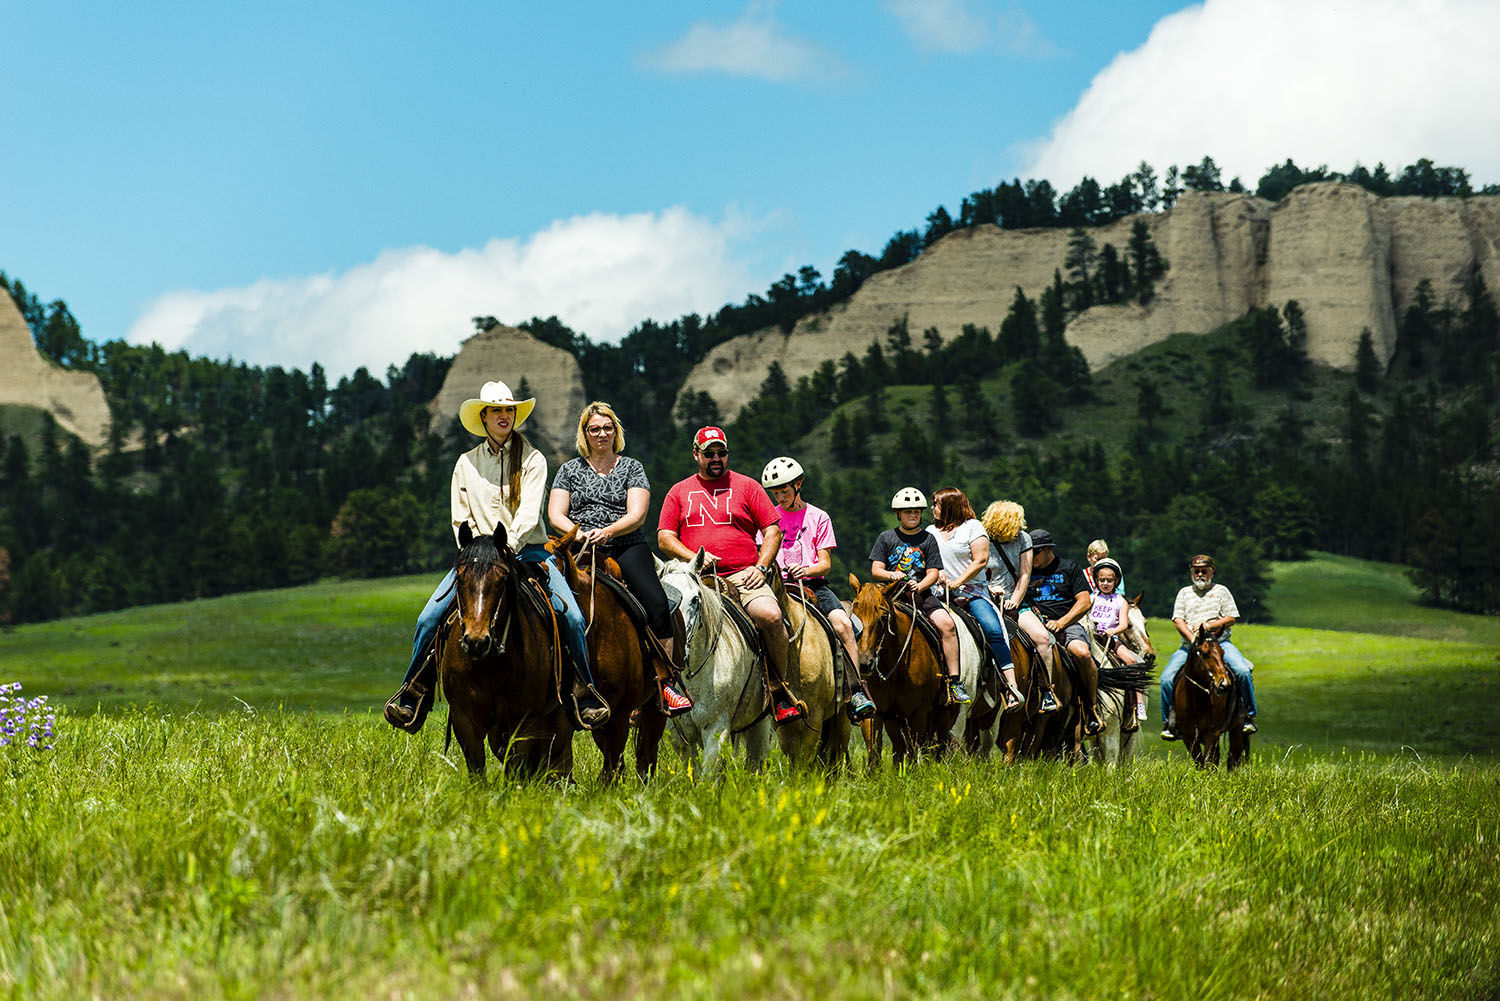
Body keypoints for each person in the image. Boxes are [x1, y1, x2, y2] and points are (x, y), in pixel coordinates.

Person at [385, 381, 609, 731]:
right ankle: (414, 692)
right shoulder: (465, 463)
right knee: (429, 618)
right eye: (497, 411)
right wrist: (480, 554)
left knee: (573, 617)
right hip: (477, 559)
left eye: (509, 410)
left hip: (530, 553)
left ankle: (584, 691)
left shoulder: (533, 459)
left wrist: (507, 550)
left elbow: (528, 512)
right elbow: (461, 518)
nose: (504, 416)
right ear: (484, 417)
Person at [548, 401, 692, 716]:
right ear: (584, 434)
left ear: (616, 431)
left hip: (625, 545)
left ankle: (665, 683)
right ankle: (551, 677)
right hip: (580, 547)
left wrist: (609, 531)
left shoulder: (631, 467)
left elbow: (637, 515)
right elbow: (555, 514)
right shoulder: (569, 470)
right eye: (594, 429)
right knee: (547, 603)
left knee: (656, 602)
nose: (602, 433)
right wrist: (579, 531)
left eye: (607, 428)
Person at [657, 426, 804, 724]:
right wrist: (693, 556)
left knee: (772, 616)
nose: (716, 458)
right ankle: (660, 688)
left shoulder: (748, 486)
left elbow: (772, 530)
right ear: (695, 454)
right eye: (709, 453)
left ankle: (778, 689)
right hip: (695, 577)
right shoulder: (679, 490)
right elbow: (664, 538)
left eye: (721, 453)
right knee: (658, 617)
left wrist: (761, 567)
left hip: (742, 576)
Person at [758, 457, 877, 722]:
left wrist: (806, 569)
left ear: (799, 485)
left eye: (785, 490)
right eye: (775, 492)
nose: (780, 496)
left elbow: (825, 564)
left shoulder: (818, 517)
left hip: (813, 586)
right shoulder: (769, 520)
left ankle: (855, 690)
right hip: (777, 588)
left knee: (843, 625)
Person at [867, 487, 970, 705]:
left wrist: (920, 585)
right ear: (898, 514)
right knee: (865, 622)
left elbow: (933, 572)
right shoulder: (886, 537)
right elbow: (876, 569)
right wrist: (892, 574)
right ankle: (860, 681)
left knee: (947, 624)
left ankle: (954, 682)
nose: (912, 515)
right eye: (907, 511)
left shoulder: (928, 539)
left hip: (921, 595)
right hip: (890, 595)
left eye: (916, 511)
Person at [926, 487, 1024, 710]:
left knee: (992, 629)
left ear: (950, 505)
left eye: (937, 504)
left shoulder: (973, 527)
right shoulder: (930, 530)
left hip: (972, 593)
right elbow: (928, 558)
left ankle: (1010, 686)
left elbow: (980, 560)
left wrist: (958, 581)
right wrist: (936, 573)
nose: (932, 508)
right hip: (938, 593)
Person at [1159, 554, 1259, 739]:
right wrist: (1193, 640)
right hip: (1189, 647)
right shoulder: (1184, 593)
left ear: (1212, 571)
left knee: (1242, 671)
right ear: (1191, 572)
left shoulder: (1222, 591)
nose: (1200, 575)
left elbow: (1231, 618)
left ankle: (1248, 716)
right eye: (1196, 571)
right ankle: (1170, 722)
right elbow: (1178, 621)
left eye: (1204, 571)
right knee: (1166, 679)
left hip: (1219, 645)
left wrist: (1208, 626)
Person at [1022, 529, 1103, 735]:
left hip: (1067, 624)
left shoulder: (1069, 567)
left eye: (1036, 552)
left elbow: (1084, 601)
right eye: (1030, 552)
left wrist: (1062, 622)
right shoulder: (1025, 570)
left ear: (1048, 549)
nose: (1032, 557)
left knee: (1082, 653)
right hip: (1033, 624)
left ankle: (1091, 708)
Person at [981, 500, 1059, 714]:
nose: (1020, 525)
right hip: (984, 597)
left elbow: (1025, 573)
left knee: (1042, 639)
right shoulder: (982, 538)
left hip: (1015, 601)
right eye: (1016, 521)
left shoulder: (1023, 539)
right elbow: (977, 569)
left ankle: (1047, 691)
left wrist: (1015, 598)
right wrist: (988, 590)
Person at [1087, 557, 1142, 731]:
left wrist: (1113, 631)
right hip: (1091, 638)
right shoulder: (1091, 598)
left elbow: (1124, 624)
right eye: (1102, 580)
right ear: (1096, 580)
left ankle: (1137, 703)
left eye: (1109, 580)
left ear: (1116, 581)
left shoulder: (1120, 601)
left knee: (1131, 661)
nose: (1105, 583)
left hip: (1111, 640)